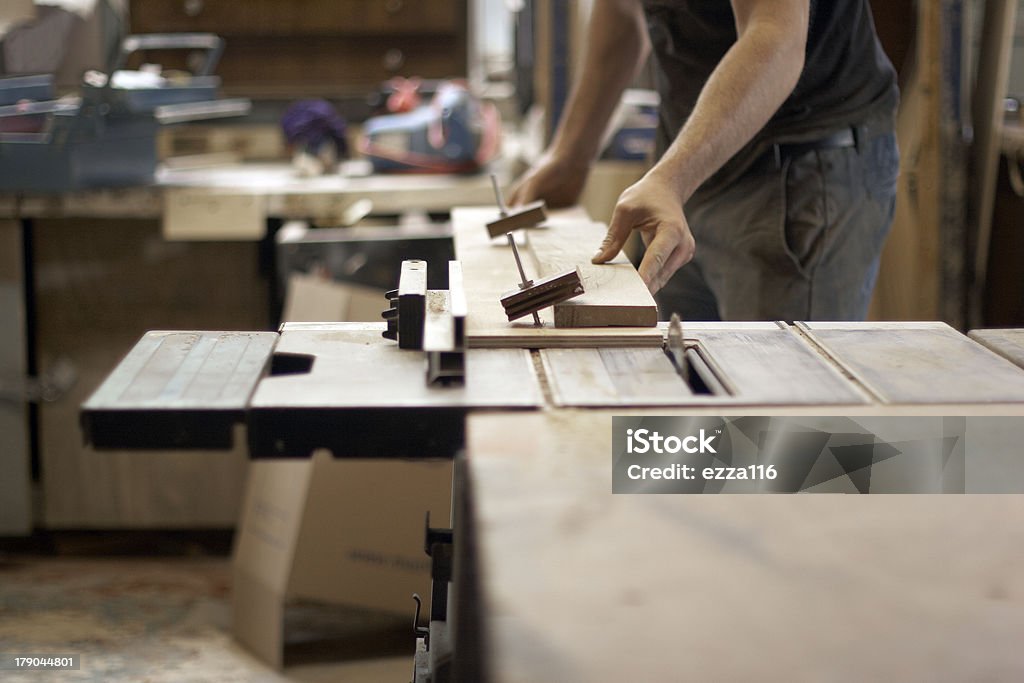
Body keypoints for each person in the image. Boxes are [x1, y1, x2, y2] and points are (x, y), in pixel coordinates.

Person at [509, 0, 899, 321]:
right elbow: (621, 11)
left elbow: (776, 36)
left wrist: (672, 178)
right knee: (673, 393)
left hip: (797, 170)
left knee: (773, 404)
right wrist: (571, 155)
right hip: (692, 171)